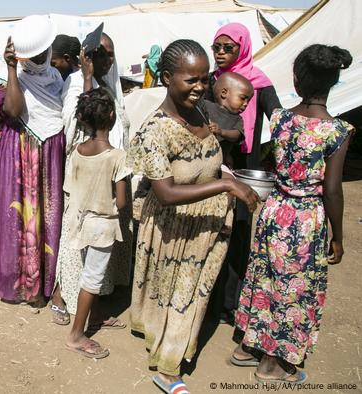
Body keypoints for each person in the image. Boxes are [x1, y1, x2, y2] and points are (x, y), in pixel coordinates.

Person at [128, 39, 259, 393]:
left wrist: (229, 178)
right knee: (181, 294)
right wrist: (226, 188)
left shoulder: (200, 113)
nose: (201, 88)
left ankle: (166, 343)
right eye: (191, 80)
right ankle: (169, 370)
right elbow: (167, 193)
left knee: (192, 295)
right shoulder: (155, 130)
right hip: (176, 228)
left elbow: (209, 162)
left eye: (204, 79)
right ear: (167, 77)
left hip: (208, 226)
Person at [231, 44, 354, 384]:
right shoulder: (337, 132)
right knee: (292, 289)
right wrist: (338, 236)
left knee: (264, 276)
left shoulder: (282, 119)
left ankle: (247, 346)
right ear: (333, 84)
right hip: (304, 219)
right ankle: (271, 363)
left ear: (297, 82)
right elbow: (331, 190)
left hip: (274, 211)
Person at [53, 31, 131, 325]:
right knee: (77, 236)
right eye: (101, 54)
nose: (108, 60)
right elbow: (75, 125)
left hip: (108, 170)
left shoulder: (108, 85)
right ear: (87, 56)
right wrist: (86, 79)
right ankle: (63, 295)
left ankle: (93, 304)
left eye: (111, 54)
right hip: (86, 173)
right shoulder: (76, 84)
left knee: (98, 243)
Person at [207, 22, 282, 327]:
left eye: (229, 48)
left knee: (237, 235)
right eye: (217, 47)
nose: (221, 53)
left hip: (244, 171)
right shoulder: (212, 82)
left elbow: (278, 121)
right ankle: (207, 303)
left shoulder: (258, 85)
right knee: (210, 231)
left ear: (243, 48)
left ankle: (228, 306)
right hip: (212, 169)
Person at [0, 31, 65, 303]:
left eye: (42, 51)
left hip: (52, 150)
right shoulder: (10, 78)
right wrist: (13, 68)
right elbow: (12, 111)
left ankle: (49, 281)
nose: (39, 57)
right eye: (32, 53)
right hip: (24, 151)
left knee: (49, 215)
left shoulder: (55, 76)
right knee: (27, 216)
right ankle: (28, 286)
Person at [63, 87, 130, 359]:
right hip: (102, 226)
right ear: (112, 116)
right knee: (92, 278)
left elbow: (71, 188)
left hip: (80, 222)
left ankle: (95, 315)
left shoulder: (78, 151)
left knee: (91, 274)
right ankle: (76, 334)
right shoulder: (116, 156)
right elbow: (122, 202)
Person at [200, 72, 253, 169]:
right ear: (224, 93)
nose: (246, 104)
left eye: (248, 101)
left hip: (219, 163)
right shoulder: (205, 106)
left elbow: (237, 135)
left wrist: (221, 132)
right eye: (242, 98)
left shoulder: (237, 119)